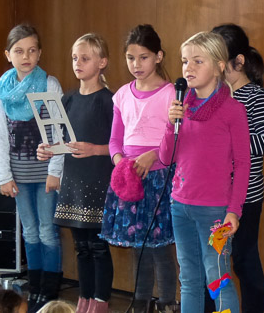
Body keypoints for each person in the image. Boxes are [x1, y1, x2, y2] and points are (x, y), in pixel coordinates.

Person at [162, 31, 251, 313]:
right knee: (189, 279)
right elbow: (165, 157)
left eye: (197, 61)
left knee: (218, 278)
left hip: (214, 212)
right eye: (184, 61)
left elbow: (243, 164)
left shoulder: (232, 110)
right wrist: (171, 123)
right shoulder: (181, 107)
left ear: (219, 66)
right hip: (180, 206)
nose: (188, 68)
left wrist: (233, 211)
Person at [100, 24, 178, 313]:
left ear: (158, 56)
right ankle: (140, 302)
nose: (136, 64)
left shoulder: (170, 94)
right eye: (130, 58)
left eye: (143, 57)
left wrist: (153, 157)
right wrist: (121, 163)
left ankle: (167, 303)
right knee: (138, 246)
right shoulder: (122, 95)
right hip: (130, 178)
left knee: (160, 247)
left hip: (159, 178)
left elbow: (177, 142)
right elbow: (114, 141)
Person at [37, 34, 114, 313]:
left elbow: (122, 146)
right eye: (74, 58)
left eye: (85, 58)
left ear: (102, 62)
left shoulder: (109, 101)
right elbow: (61, 140)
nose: (77, 63)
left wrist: (95, 149)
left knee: (98, 247)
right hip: (74, 182)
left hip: (98, 180)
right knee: (81, 247)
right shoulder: (67, 98)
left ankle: (101, 301)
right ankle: (84, 299)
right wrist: (48, 150)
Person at [207, 24, 264, 313]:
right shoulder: (213, 97)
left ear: (238, 61)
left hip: (246, 198)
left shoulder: (256, 96)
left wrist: (231, 136)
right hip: (213, 197)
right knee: (213, 262)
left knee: (244, 261)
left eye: (220, 62)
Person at [0, 24, 64, 312]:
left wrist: (55, 171)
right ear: (8, 55)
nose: (26, 57)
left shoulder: (49, 84)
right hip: (19, 175)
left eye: (32, 50)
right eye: (19, 51)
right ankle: (35, 288)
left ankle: (49, 291)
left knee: (48, 232)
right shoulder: (3, 89)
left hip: (45, 174)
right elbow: (1, 135)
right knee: (30, 233)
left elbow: (59, 131)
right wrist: (4, 176)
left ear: (39, 53)